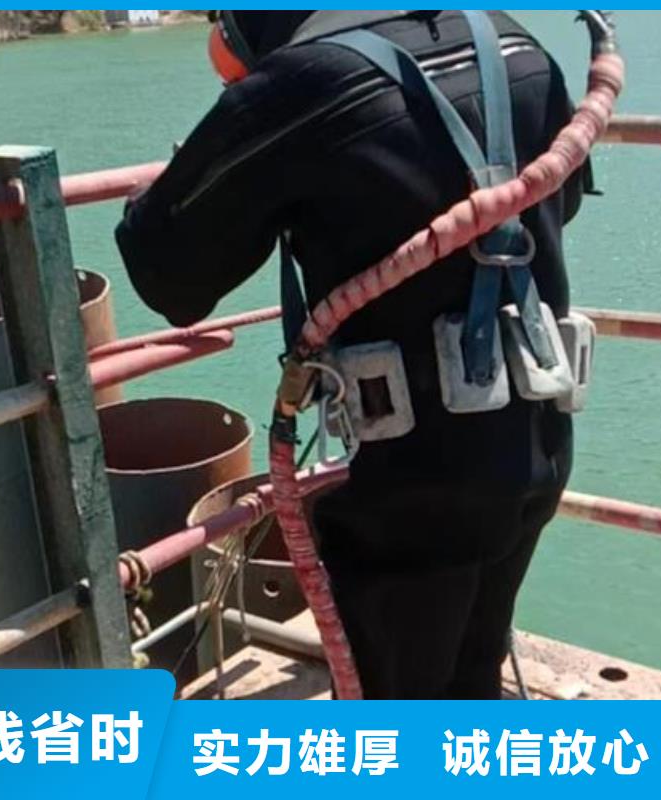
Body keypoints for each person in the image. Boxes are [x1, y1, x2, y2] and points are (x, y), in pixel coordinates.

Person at [115, 10, 591, 699]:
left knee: (394, 707)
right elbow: (559, 198)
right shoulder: (512, 41)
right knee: (471, 672)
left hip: (415, 488)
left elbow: (168, 278)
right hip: (535, 444)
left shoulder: (299, 85)